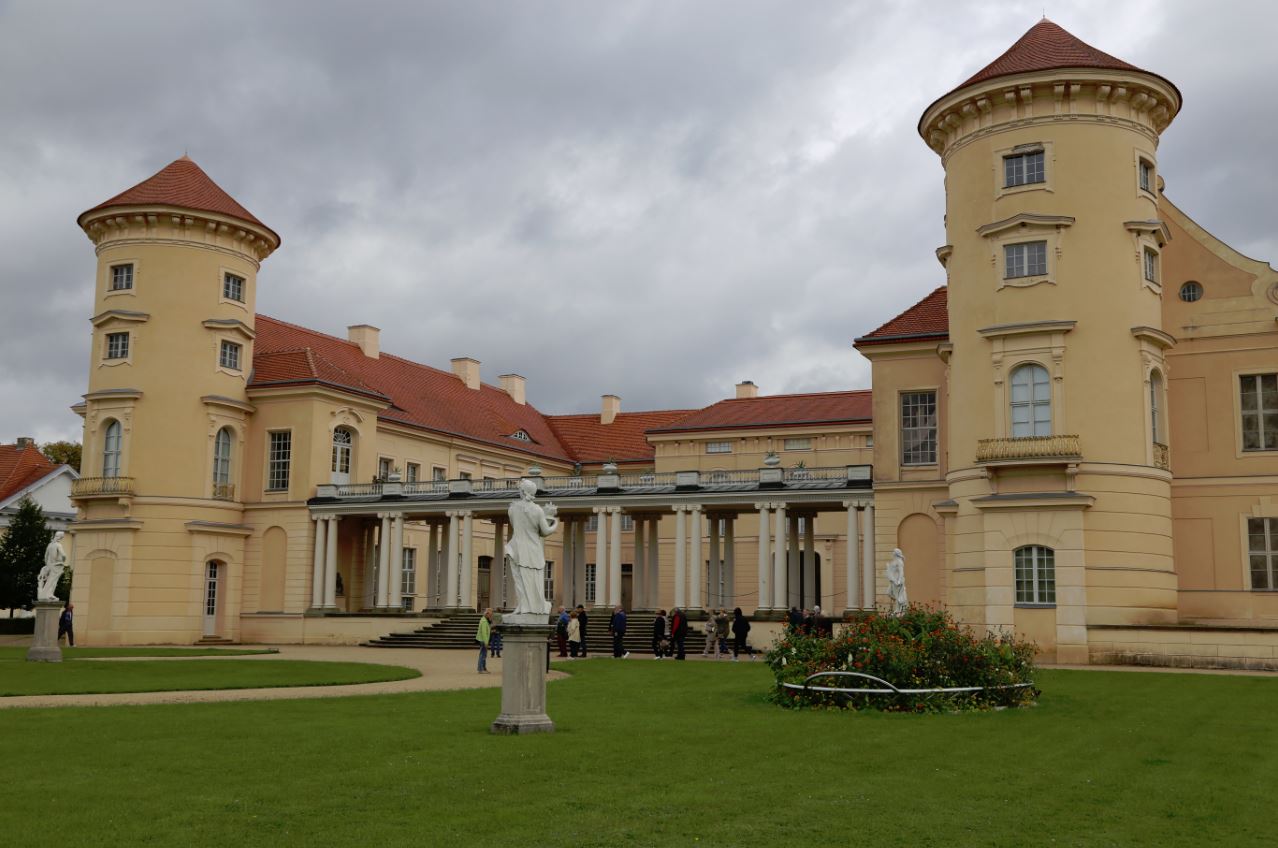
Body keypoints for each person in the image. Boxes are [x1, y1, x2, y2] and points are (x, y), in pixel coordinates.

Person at [505, 478, 558, 615]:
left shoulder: (512, 509)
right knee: (533, 580)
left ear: (523, 491)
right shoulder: (537, 510)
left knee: (520, 580)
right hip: (533, 549)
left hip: (517, 548)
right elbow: (544, 531)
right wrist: (554, 521)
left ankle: (523, 606)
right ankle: (534, 607)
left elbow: (517, 526)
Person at [37, 531, 67, 602]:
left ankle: (45, 595)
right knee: (53, 581)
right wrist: (63, 561)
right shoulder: (58, 545)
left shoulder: (50, 545)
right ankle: (49, 594)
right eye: (62, 537)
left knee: (49, 580)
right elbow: (63, 555)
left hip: (49, 565)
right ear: (60, 537)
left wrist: (47, 565)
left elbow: (46, 556)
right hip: (56, 565)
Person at [476, 608, 492, 673]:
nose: (491, 616)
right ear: (487, 614)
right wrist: (486, 642)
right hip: (483, 640)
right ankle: (481, 669)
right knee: (482, 655)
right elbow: (484, 633)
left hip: (483, 640)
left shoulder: (484, 620)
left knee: (483, 655)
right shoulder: (484, 621)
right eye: (490, 615)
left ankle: (483, 668)